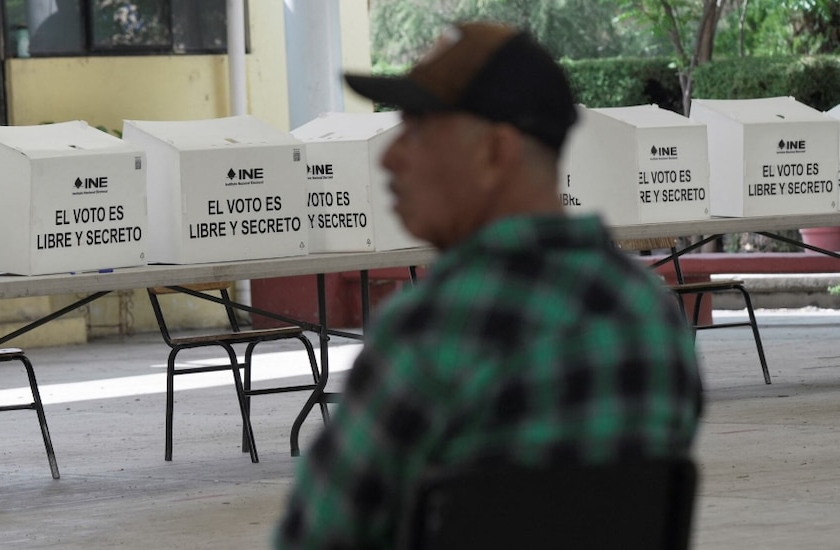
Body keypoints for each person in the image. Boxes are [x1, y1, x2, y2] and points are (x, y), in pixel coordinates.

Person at [273, 21, 703, 549]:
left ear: (496, 152)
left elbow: (317, 536)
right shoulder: (651, 317)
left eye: (416, 129)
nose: (389, 156)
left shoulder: (431, 331)